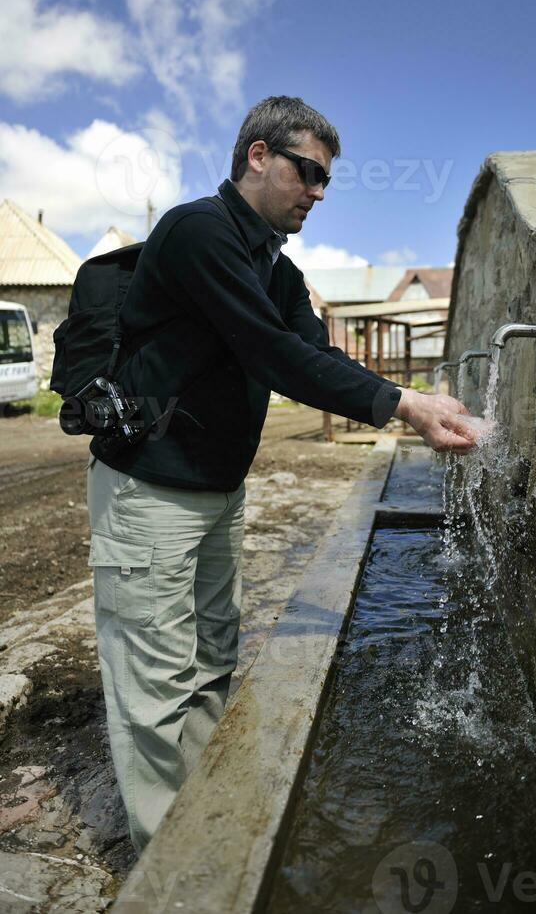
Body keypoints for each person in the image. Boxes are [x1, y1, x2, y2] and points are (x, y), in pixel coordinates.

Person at [86, 95, 475, 854]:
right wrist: (403, 405)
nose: (319, 193)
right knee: (156, 681)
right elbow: (270, 352)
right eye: (310, 173)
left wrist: (415, 400)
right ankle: (179, 871)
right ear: (258, 157)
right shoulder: (199, 231)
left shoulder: (278, 267)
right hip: (149, 491)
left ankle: (200, 813)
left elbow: (317, 355)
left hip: (217, 490)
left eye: (326, 181)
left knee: (211, 656)